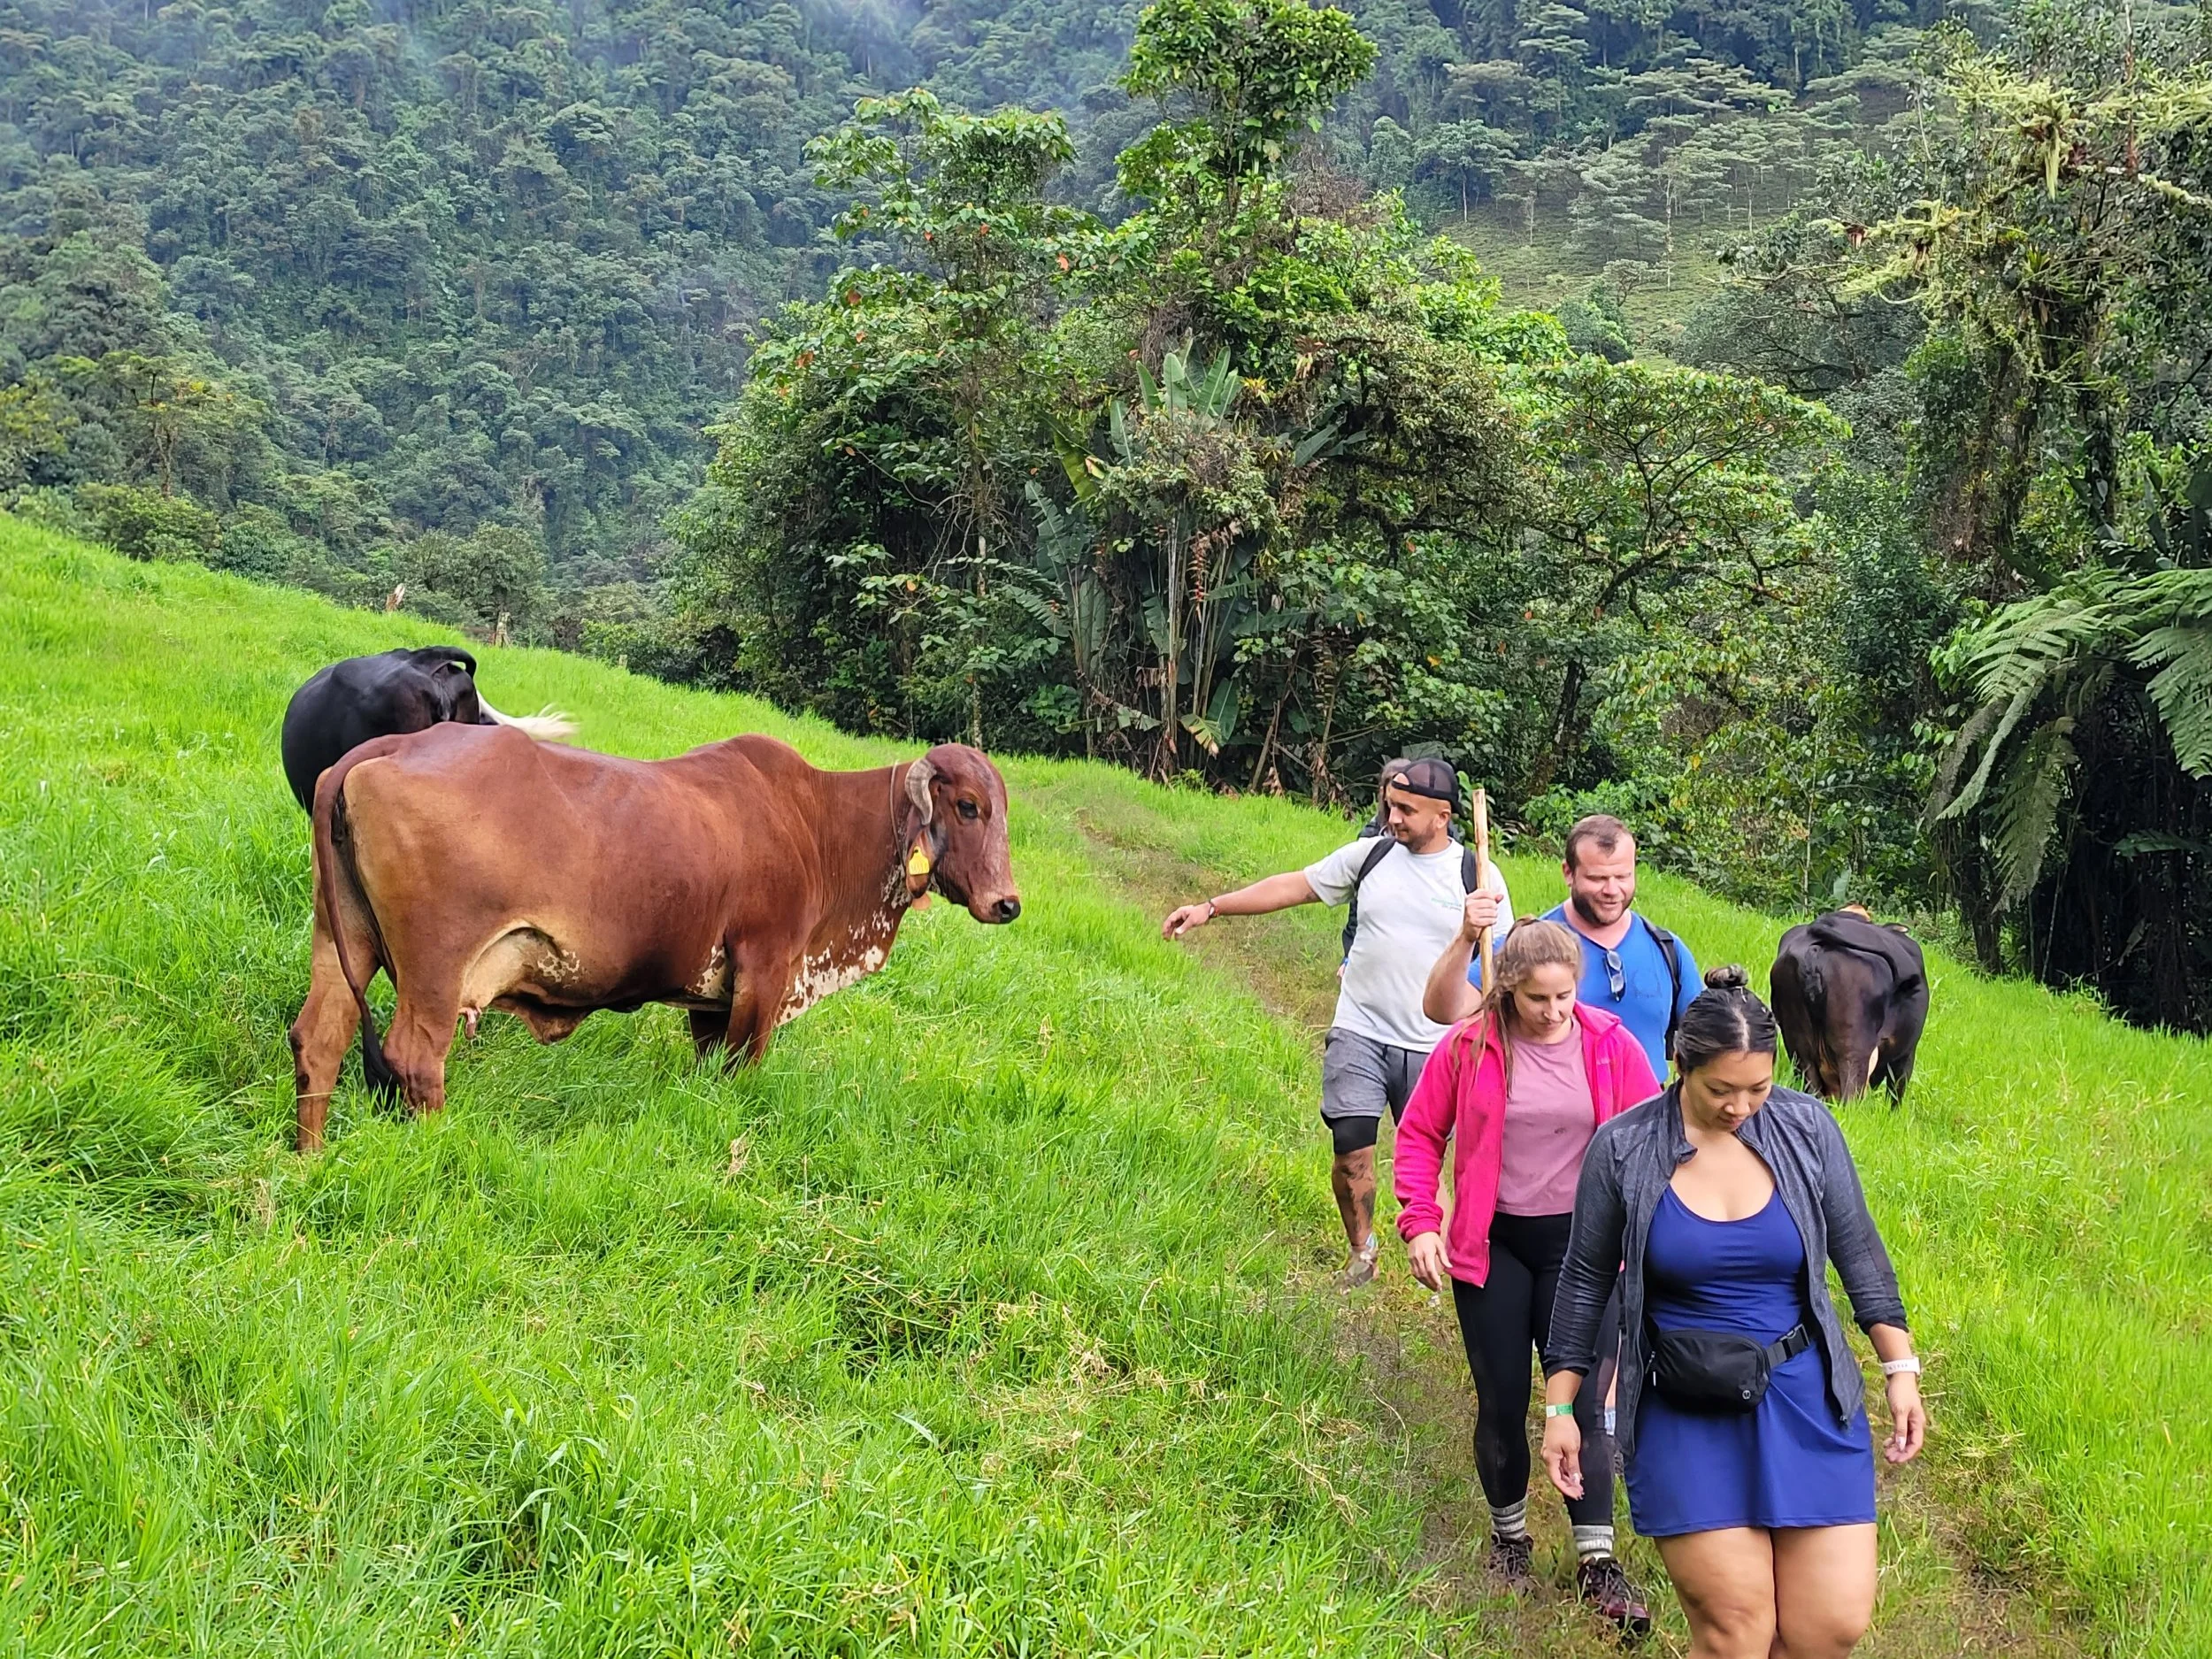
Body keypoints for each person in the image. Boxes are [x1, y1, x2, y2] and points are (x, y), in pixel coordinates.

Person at [1540, 967, 1928, 1659]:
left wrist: (1899, 1365)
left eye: (1758, 1088)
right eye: (1721, 1089)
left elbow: (1858, 1249)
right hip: (1685, 1405)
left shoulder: (1806, 1128)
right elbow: (1583, 1280)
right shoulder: (1625, 1147)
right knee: (1736, 1631)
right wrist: (1562, 1410)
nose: (1741, 1106)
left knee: (1825, 1628)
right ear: (1680, 1063)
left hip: (1806, 1396)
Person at [1394, 918, 1659, 1637]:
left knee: (1580, 1407)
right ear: (1508, 990)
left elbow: (1657, 1135)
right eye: (1537, 999)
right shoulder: (1470, 1044)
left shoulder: (1609, 1045)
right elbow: (1420, 1133)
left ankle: (1597, 1561)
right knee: (1504, 1399)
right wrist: (1421, 1220)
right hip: (1494, 1246)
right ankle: (1509, 1537)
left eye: (1564, 996)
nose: (1553, 1011)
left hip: (1586, 1251)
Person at [1162, 758, 1511, 1287]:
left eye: (1405, 810)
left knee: (1431, 1165)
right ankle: (1362, 1251)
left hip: (1436, 1045)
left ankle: (1438, 1261)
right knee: (1350, 1150)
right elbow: (1295, 887)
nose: (1391, 818)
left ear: (1443, 815)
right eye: (1390, 805)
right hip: (1360, 1029)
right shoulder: (1371, 856)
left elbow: (1501, 968)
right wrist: (1211, 908)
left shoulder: (1477, 877)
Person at [1425, 813, 1698, 1078]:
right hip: (1555, 1116)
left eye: (1623, 876)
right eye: (1597, 879)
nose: (1612, 890)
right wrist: (1466, 937)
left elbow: (1707, 1040)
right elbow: (1444, 1011)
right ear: (1568, 873)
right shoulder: (1528, 948)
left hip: (1644, 1116)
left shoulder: (1667, 950)